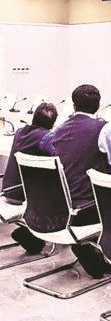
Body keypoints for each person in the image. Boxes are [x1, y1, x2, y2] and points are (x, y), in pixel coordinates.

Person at [45, 84, 111, 279]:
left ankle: (89, 248)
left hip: (61, 205)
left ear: (73, 105)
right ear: (98, 105)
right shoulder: (104, 128)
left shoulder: (59, 129)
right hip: (89, 206)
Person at [2, 102, 58, 254]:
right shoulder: (46, 138)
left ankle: (31, 235)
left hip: (8, 189)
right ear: (52, 124)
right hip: (27, 196)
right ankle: (33, 234)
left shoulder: (20, 132)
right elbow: (60, 159)